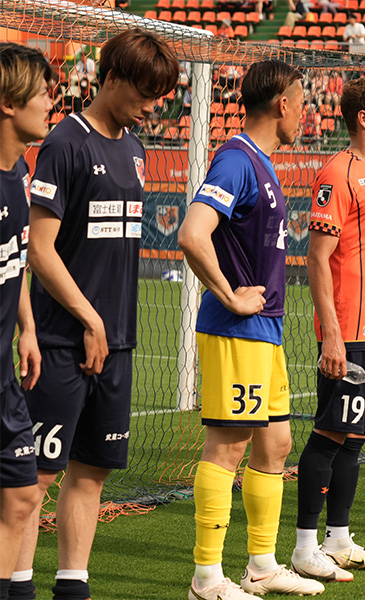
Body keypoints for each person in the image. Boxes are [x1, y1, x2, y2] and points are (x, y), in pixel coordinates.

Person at [15, 29, 178, 600]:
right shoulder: (65, 142)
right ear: (111, 78)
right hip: (64, 339)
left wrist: (108, 329)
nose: (153, 104)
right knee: (33, 478)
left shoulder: (134, 147)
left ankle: (72, 587)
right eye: (145, 91)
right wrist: (89, 319)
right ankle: (14, 586)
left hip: (117, 341)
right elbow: (40, 248)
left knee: (92, 471)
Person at [178, 60, 323, 600]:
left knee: (276, 443)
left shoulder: (261, 163)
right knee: (228, 447)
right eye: (302, 101)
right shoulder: (236, 160)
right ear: (282, 103)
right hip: (237, 329)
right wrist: (228, 293)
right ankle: (206, 579)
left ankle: (261, 566)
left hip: (267, 328)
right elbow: (193, 233)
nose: (306, 112)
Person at [291, 77, 365, 580]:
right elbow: (317, 260)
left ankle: (338, 540)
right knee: (329, 435)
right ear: (364, 118)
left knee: (355, 439)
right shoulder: (337, 173)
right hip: (351, 334)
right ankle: (303, 548)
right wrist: (332, 335)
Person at [0, 43, 49, 600]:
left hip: (5, 376)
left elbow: (14, 261)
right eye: (40, 93)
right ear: (8, 104)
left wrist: (27, 328)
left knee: (20, 496)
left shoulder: (18, 173)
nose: (50, 102)